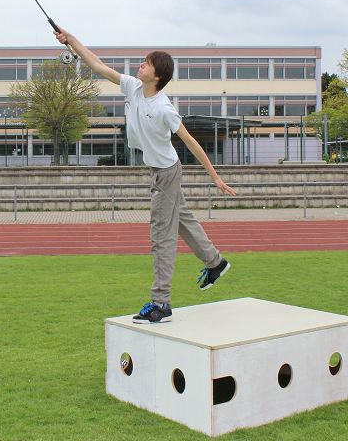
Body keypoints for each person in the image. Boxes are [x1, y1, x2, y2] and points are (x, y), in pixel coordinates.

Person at [54, 27, 237, 323]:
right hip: (159, 169)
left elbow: (190, 142)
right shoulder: (132, 87)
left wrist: (214, 177)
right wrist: (72, 40)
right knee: (182, 222)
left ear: (158, 75)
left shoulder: (164, 108)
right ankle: (215, 262)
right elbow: (97, 66)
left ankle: (160, 303)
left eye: (147, 63)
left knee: (161, 236)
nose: (141, 64)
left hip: (166, 172)